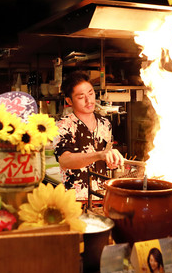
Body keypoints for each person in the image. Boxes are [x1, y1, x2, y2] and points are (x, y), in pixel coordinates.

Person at [53, 71, 124, 201]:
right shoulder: (63, 125)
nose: (89, 100)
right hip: (75, 200)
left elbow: (105, 160)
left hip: (102, 197)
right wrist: (99, 155)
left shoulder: (105, 123)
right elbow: (64, 160)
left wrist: (111, 161)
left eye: (91, 93)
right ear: (69, 100)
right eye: (81, 97)